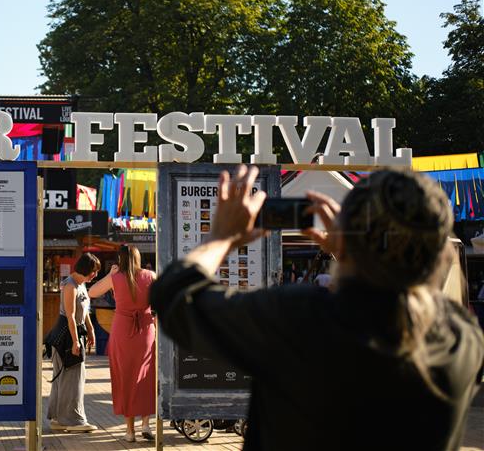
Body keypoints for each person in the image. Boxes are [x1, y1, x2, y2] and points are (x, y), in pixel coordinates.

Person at [150, 165, 484, 451]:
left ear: (351, 238)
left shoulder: (300, 319)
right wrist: (354, 254)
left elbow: (175, 295)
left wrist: (221, 237)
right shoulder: (462, 339)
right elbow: (400, 290)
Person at [89, 245, 156, 442]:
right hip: (145, 329)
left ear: (120, 259)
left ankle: (130, 431)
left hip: (122, 330)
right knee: (145, 376)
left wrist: (110, 274)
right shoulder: (150, 275)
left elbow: (92, 291)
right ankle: (146, 423)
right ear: (138, 257)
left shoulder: (115, 277)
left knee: (125, 378)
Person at [47, 253, 100, 433]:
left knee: (70, 378)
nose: (95, 275)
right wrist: (76, 341)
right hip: (67, 337)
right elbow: (70, 316)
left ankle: (59, 418)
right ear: (86, 269)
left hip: (75, 333)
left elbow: (84, 312)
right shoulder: (70, 286)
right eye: (94, 271)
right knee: (71, 379)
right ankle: (73, 420)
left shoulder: (81, 284)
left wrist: (91, 330)